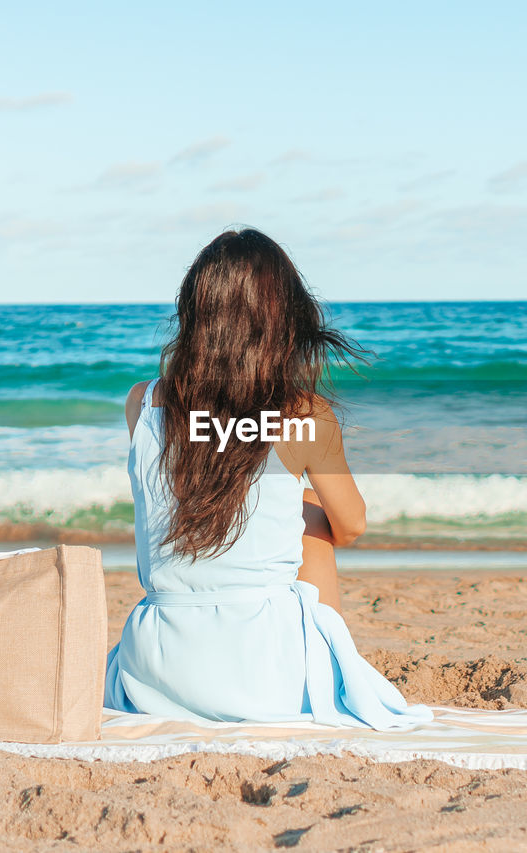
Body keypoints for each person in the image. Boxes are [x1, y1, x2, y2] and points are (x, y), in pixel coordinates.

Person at [103, 228, 432, 730]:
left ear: (194, 314)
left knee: (258, 501)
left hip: (156, 666)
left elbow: (208, 444)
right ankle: (325, 675)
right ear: (282, 318)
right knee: (313, 518)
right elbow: (352, 525)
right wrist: (298, 501)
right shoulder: (304, 413)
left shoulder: (142, 402)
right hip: (266, 674)